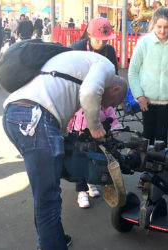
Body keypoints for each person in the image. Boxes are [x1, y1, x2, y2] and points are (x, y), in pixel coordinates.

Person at [2, 50, 128, 249]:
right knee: (48, 198)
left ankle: (51, 239)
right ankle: (52, 244)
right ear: (114, 89)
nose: (107, 107)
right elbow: (89, 92)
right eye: (112, 103)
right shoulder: (107, 68)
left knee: (44, 192)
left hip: (14, 114)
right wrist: (95, 126)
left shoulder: (80, 64)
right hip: (36, 118)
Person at [70, 16, 119, 207]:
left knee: (97, 145)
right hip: (78, 106)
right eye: (99, 39)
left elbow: (113, 77)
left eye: (106, 39)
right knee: (79, 146)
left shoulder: (110, 51)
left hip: (100, 104)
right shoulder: (77, 48)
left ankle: (91, 181)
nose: (103, 42)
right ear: (89, 35)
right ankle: (80, 189)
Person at [128, 7, 168, 146]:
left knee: (162, 137)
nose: (162, 31)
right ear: (153, 25)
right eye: (159, 26)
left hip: (166, 100)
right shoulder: (143, 43)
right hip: (147, 99)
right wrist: (139, 95)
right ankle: (146, 167)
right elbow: (133, 72)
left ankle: (160, 167)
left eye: (166, 27)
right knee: (147, 135)